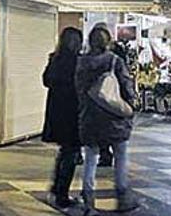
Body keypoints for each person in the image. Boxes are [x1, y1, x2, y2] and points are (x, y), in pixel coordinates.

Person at [75, 27, 139, 214]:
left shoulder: (81, 63)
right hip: (114, 118)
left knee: (90, 159)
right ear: (108, 42)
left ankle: (88, 199)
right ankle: (122, 195)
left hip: (89, 117)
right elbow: (126, 87)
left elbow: (78, 89)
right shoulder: (114, 61)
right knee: (120, 156)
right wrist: (131, 104)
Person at [42, 27, 84, 209]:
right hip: (72, 112)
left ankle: (56, 188)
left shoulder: (55, 59)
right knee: (70, 153)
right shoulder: (77, 62)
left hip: (57, 111)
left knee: (65, 151)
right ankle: (61, 194)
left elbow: (46, 80)